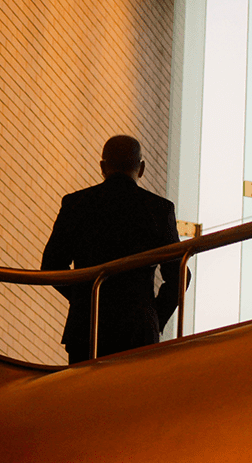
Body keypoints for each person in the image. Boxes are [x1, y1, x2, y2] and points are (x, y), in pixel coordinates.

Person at [41, 135, 184, 364]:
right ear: (142, 168)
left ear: (102, 167)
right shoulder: (159, 209)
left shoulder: (76, 203)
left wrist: (84, 297)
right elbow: (178, 274)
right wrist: (154, 315)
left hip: (87, 326)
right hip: (137, 328)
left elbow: (51, 266)